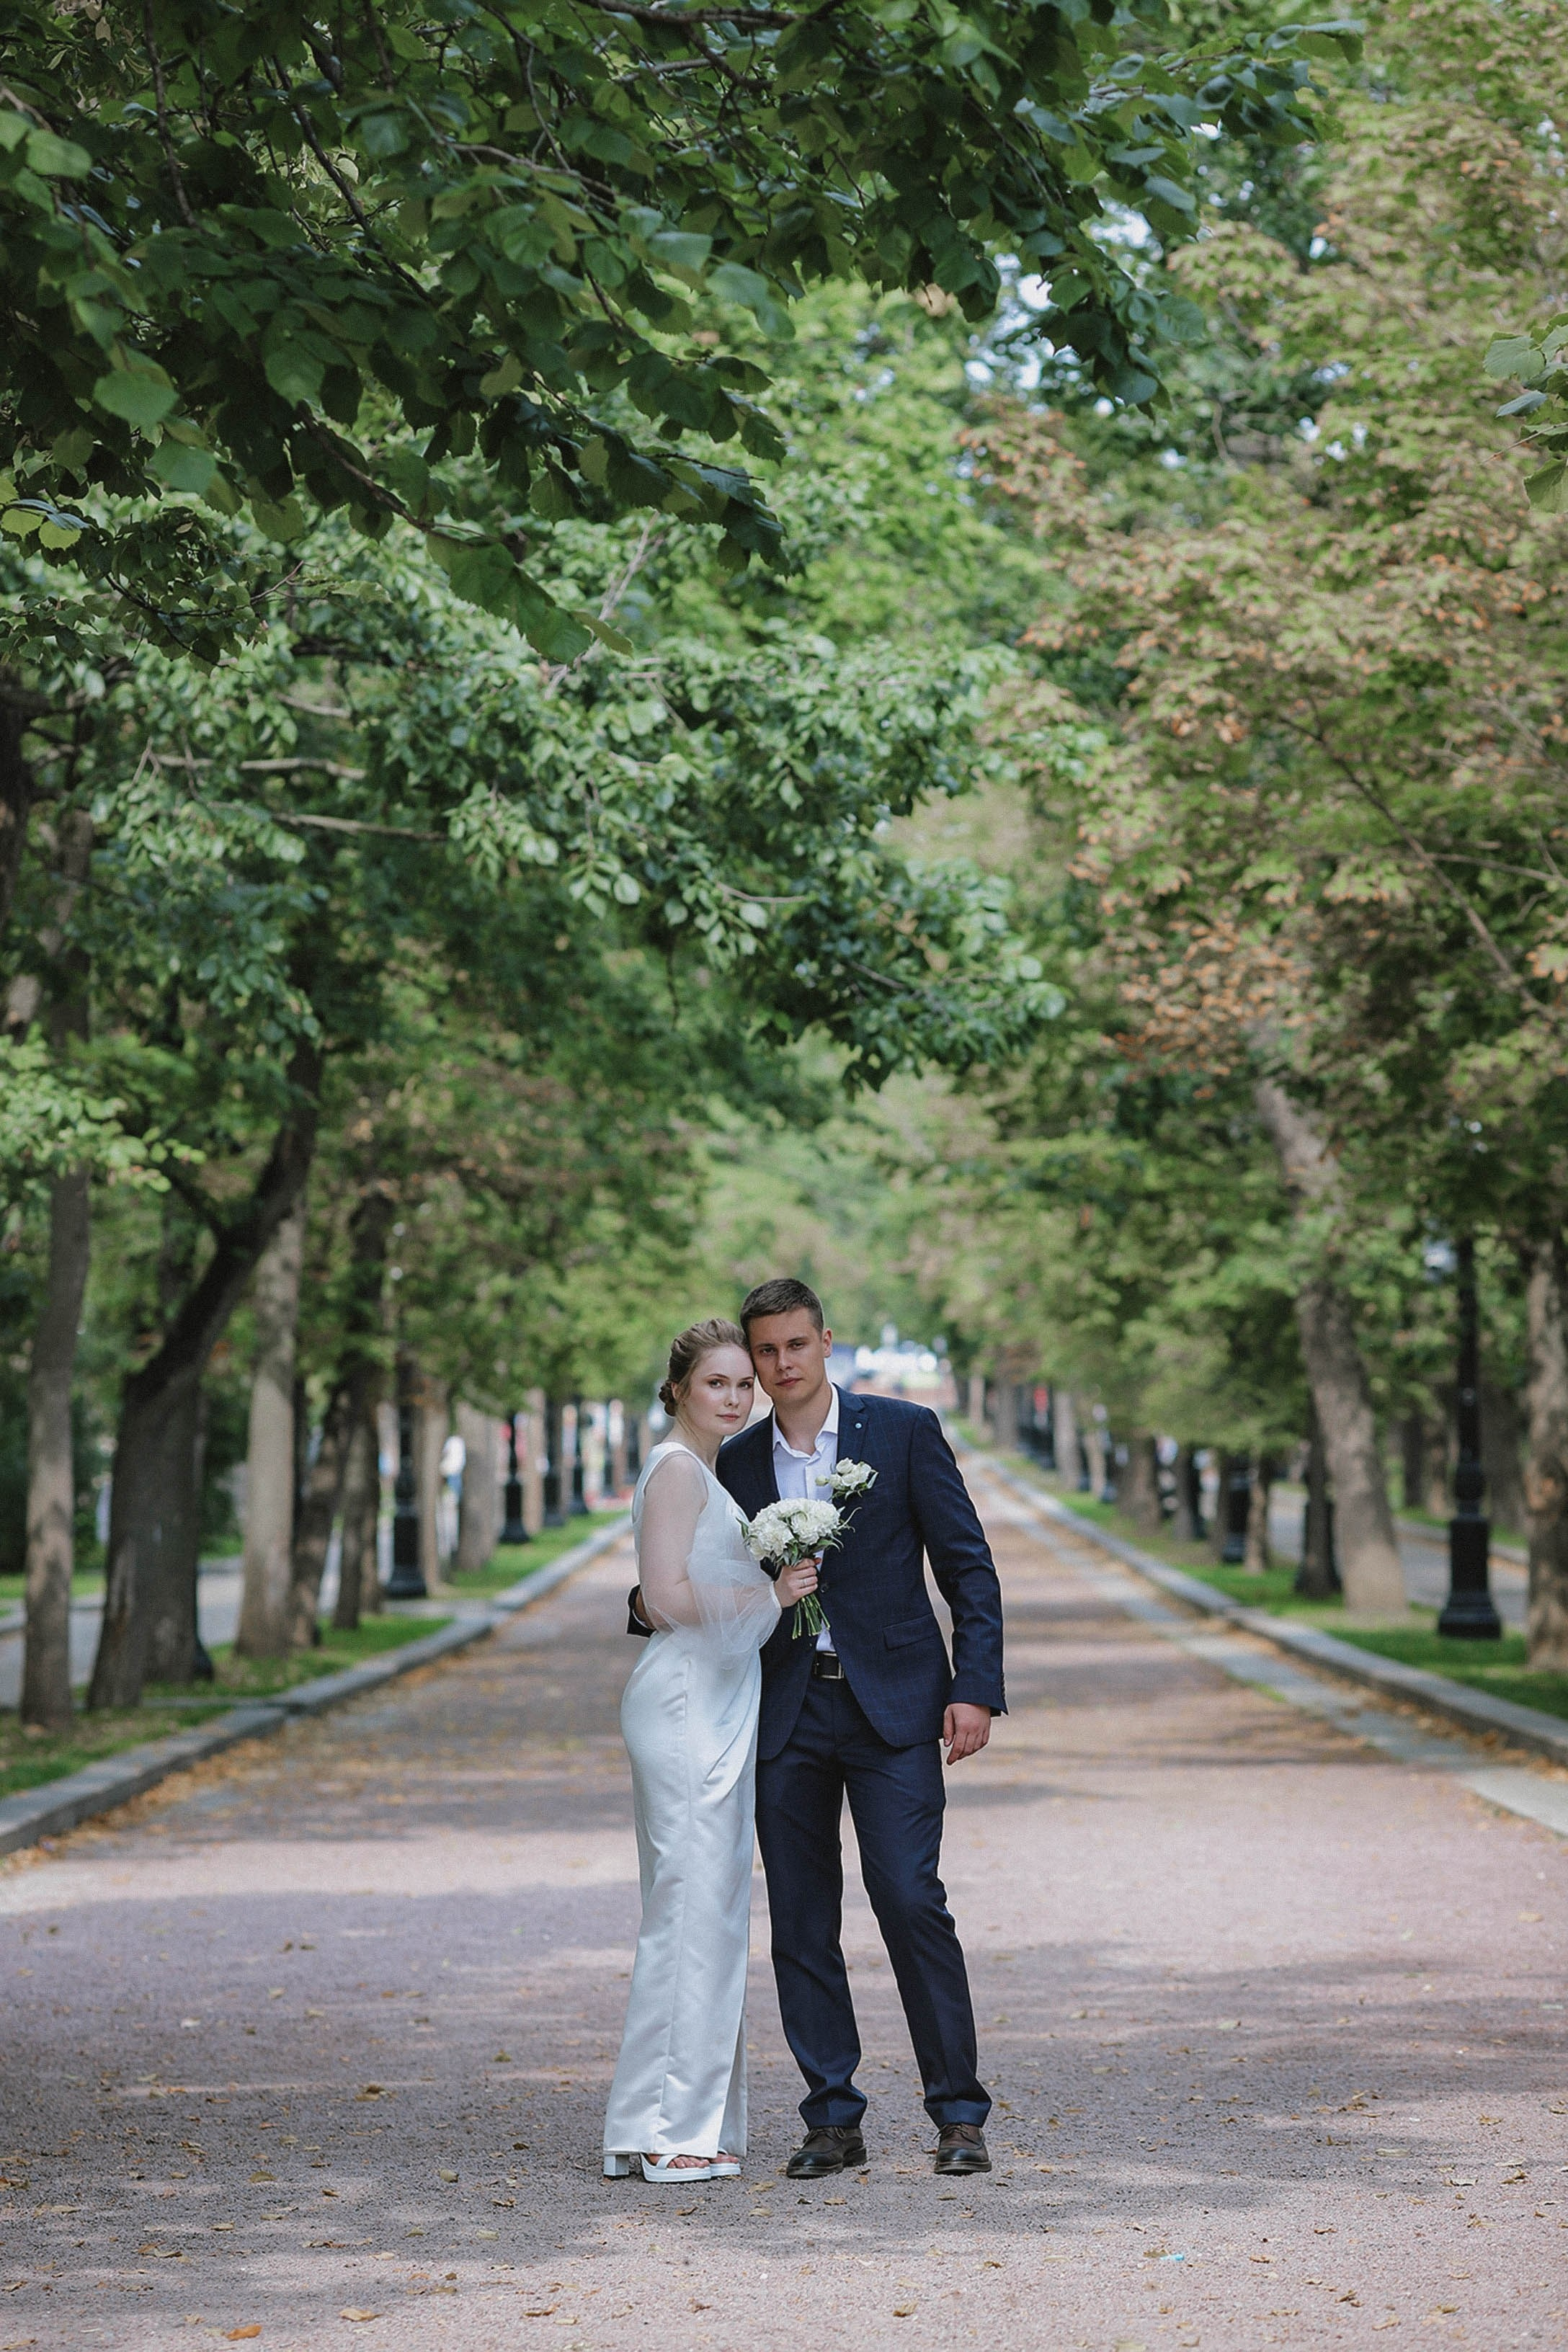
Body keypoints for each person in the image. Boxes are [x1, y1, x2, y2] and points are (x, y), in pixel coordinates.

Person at [628, 1278, 1006, 2180]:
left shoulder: (903, 1431)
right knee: (800, 1920)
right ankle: (831, 2118)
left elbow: (967, 1566)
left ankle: (957, 2115)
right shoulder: (737, 1458)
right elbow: (681, 1572)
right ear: (751, 1360)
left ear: (825, 1342)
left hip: (895, 1708)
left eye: (796, 1345)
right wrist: (645, 1608)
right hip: (780, 1711)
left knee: (911, 1900)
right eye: (764, 1352)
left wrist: (975, 1687)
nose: (780, 1364)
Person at [602, 1318, 820, 2185]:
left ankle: (671, 2122)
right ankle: (664, 2129)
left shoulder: (705, 1472)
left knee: (708, 1912)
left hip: (722, 1703)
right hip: (687, 1702)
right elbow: (662, 1598)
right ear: (679, 1389)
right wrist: (768, 1594)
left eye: (744, 1385)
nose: (735, 1397)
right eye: (716, 1384)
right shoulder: (677, 1473)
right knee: (690, 1914)